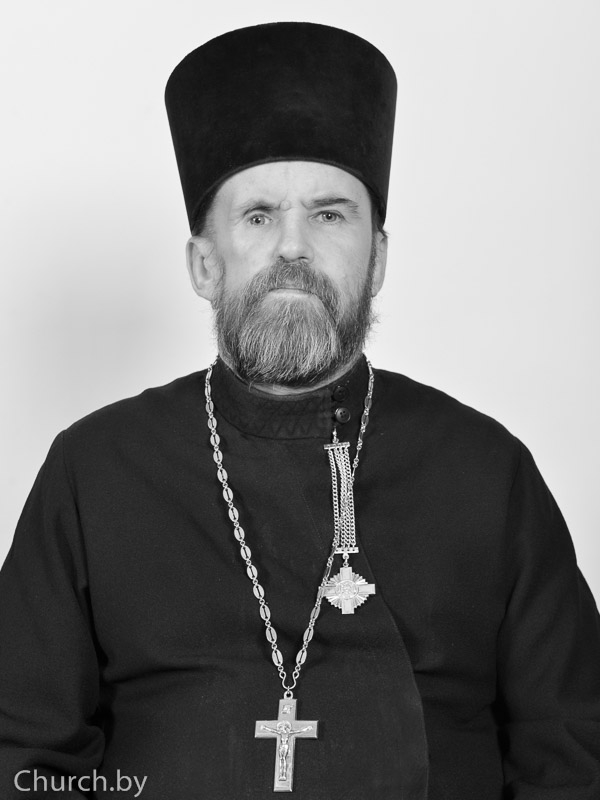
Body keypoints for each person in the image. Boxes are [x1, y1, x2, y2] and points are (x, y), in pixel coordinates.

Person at [0, 21, 599, 800]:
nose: (293, 247)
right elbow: (22, 758)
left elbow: (574, 755)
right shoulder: (96, 471)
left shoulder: (486, 472)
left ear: (377, 260)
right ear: (203, 263)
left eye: (329, 215)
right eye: (258, 216)